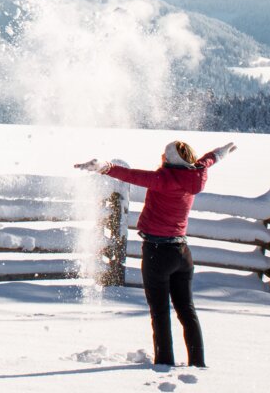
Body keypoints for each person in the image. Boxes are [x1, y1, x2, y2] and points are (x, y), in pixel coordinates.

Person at [75, 139, 237, 368]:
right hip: (182, 253)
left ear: (170, 159)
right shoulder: (195, 174)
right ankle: (198, 362)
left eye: (165, 154)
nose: (162, 156)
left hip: (157, 253)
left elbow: (132, 176)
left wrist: (104, 166)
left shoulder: (162, 180)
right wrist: (220, 153)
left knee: (160, 312)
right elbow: (207, 161)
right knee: (187, 310)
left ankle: (164, 362)